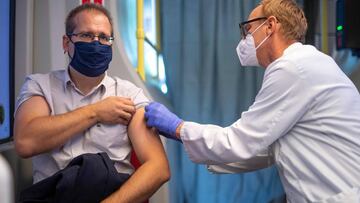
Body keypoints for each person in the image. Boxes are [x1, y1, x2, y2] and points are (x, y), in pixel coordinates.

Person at [145, 0, 360, 202]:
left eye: (248, 30)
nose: (245, 40)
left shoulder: (291, 68)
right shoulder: (310, 63)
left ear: (270, 26)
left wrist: (179, 128)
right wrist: (192, 142)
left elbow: (240, 141)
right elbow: (266, 149)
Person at [14, 3, 170, 202]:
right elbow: (26, 142)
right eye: (86, 35)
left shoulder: (129, 94)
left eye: (104, 37)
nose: (96, 43)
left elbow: (158, 168)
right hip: (55, 195)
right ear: (66, 43)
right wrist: (96, 112)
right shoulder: (40, 85)